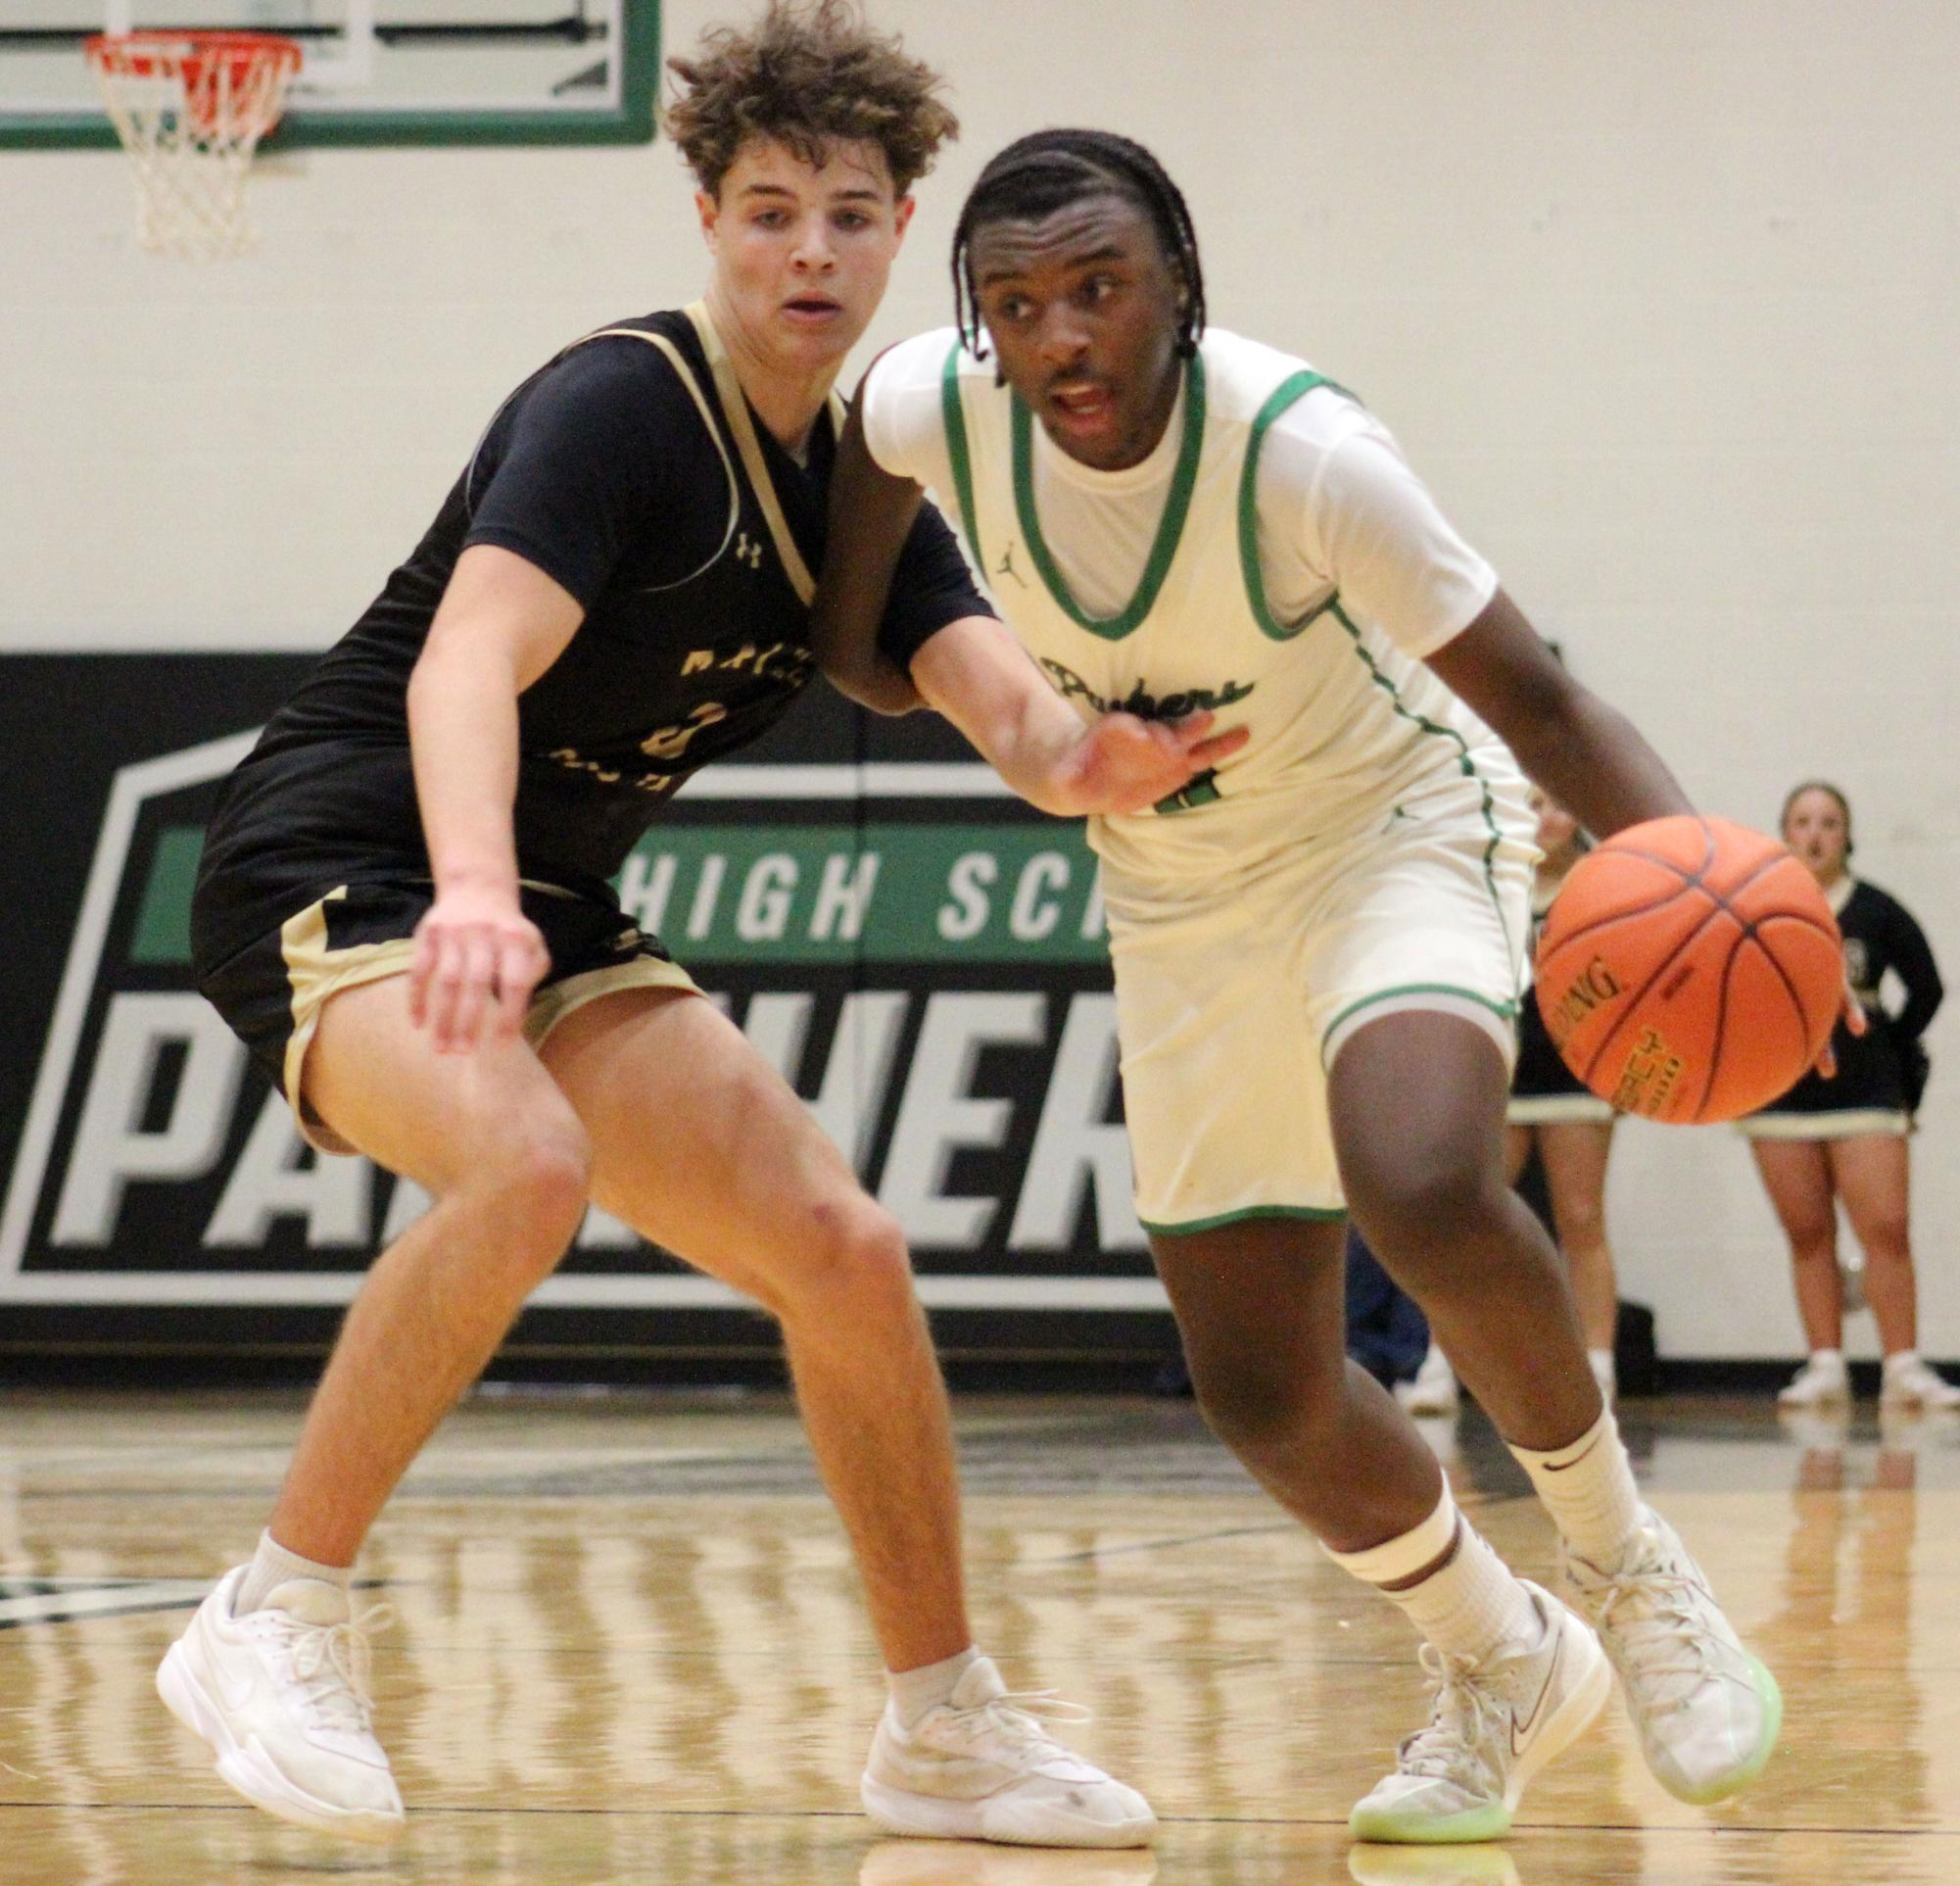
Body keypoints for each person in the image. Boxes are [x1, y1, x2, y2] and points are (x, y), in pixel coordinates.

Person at [161, 16, 1195, 1851]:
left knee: (843, 1248)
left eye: (853, 217)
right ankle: (275, 1611)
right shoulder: (623, 404)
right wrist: (472, 888)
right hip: (348, 853)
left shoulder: (869, 473)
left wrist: (1100, 758)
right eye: (772, 212)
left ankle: (942, 1726)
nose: (812, 253)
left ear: (899, 241)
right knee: (521, 1169)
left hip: (545, 899)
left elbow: (1015, 723)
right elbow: (470, 655)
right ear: (708, 218)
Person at [813, 127, 1795, 1845]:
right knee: (1260, 1389)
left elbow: (1545, 705)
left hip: (1391, 827)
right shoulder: (925, 408)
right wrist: (975, 694)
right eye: (1018, 304)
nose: (1060, 338)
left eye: (1100, 290)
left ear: (1182, 289)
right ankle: (1496, 1657)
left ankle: (1635, 1578)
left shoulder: (1303, 452)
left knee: (1415, 1178)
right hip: (1177, 886)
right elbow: (854, 644)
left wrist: (1725, 894)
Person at [1403, 788, 1620, 1414]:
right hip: (1498, 1069)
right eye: (1532, 801)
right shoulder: (1491, 874)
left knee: (1581, 1220)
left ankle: (1599, 1367)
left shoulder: (1603, 882)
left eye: (1558, 801)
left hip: (1576, 1072)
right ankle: (1442, 1365)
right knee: (1467, 1222)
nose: (1546, 816)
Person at [1741, 781, 1952, 1411]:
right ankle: (1825, 1362)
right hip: (1782, 1094)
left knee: (1886, 1227)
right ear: (1783, 834)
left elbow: (1929, 988)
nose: (1815, 834)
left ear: (1847, 834)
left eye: (1829, 822)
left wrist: (1889, 1045)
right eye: (1802, 822)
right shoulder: (1759, 909)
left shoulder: (1876, 910)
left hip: (1865, 1091)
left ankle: (1903, 1365)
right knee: (1807, 1233)